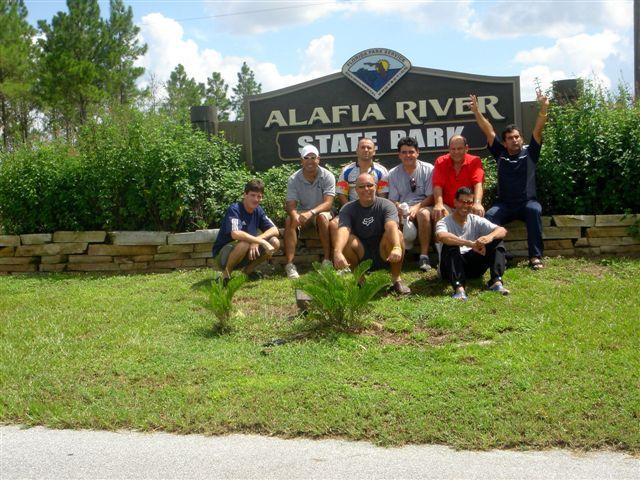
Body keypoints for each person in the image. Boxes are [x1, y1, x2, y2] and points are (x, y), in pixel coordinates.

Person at [470, 91, 549, 270]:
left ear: (521, 138)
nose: (514, 140)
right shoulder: (500, 154)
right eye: (510, 138)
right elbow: (488, 130)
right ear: (504, 143)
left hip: (527, 202)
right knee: (490, 216)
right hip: (504, 204)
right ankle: (499, 254)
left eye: (517, 137)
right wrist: (476, 111)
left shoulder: (530, 153)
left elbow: (538, 129)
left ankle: (535, 257)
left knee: (534, 211)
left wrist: (544, 108)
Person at [333, 173, 411, 295]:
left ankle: (396, 280)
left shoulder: (386, 205)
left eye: (369, 185)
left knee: (398, 235)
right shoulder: (347, 208)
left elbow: (391, 225)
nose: (366, 189)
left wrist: (396, 247)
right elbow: (343, 229)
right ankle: (360, 280)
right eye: (362, 186)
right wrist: (337, 252)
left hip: (383, 250)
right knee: (347, 240)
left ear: (375, 187)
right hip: (361, 251)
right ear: (356, 190)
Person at [435, 187, 509, 300]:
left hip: (472, 266)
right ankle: (459, 289)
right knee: (451, 246)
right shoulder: (444, 222)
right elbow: (442, 236)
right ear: (455, 202)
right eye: (462, 202)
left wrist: (489, 237)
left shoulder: (475, 219)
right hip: (449, 268)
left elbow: (502, 230)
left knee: (497, 241)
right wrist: (469, 244)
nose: (465, 205)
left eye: (469, 202)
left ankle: (496, 282)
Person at [212, 179, 280, 283]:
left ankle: (246, 273)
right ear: (245, 195)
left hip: (245, 253)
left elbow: (275, 229)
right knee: (244, 243)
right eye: (253, 195)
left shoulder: (258, 210)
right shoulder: (235, 209)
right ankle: (225, 276)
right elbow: (235, 233)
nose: (256, 199)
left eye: (259, 196)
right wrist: (260, 241)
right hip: (223, 256)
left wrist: (257, 239)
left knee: (275, 242)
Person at [283, 144, 336, 279]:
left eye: (313, 157)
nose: (310, 161)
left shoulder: (327, 176)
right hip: (303, 212)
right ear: (301, 161)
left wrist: (311, 213)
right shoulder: (293, 179)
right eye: (306, 158)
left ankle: (326, 260)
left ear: (318, 159)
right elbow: (291, 204)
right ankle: (290, 265)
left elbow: (328, 203)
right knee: (290, 220)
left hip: (322, 211)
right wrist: (295, 215)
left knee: (322, 218)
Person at [387, 136, 435, 272]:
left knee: (423, 214)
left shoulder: (428, 169)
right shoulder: (393, 173)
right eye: (404, 152)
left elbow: (432, 196)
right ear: (399, 155)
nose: (408, 155)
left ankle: (424, 256)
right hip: (403, 208)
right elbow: (392, 199)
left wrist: (417, 207)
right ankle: (398, 254)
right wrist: (399, 208)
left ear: (417, 153)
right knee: (389, 219)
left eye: (411, 152)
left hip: (424, 205)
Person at [330, 137, 389, 243]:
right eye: (362, 147)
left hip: (374, 210)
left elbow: (383, 195)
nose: (366, 150)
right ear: (357, 151)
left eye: (369, 148)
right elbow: (342, 194)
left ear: (374, 151)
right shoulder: (347, 170)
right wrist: (349, 211)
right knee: (334, 225)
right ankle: (339, 256)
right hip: (352, 209)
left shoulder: (382, 171)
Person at [432, 135, 485, 223]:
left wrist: (477, 203)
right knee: (439, 212)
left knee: (476, 212)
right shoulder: (441, 161)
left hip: (467, 205)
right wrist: (439, 204)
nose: (456, 152)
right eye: (453, 149)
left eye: (459, 148)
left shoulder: (475, 161)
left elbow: (478, 184)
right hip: (447, 206)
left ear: (466, 148)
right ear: (449, 149)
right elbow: (437, 185)